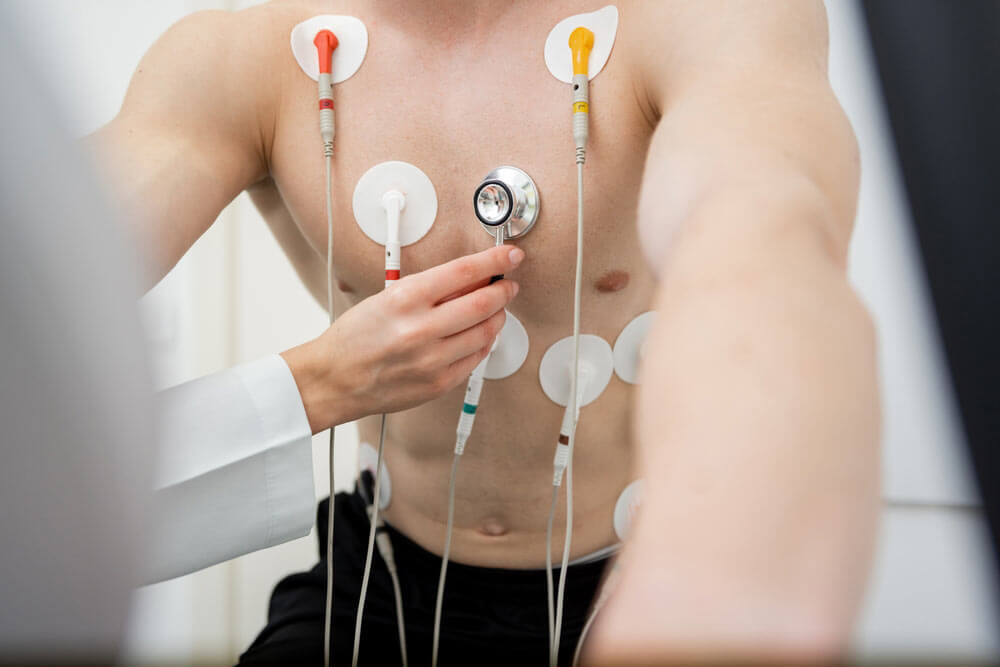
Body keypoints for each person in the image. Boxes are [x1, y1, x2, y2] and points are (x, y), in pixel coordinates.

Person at [89, 0, 879, 663]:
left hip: (639, 575)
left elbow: (766, 232)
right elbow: (47, 270)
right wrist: (317, 379)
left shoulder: (693, 19)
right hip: (382, 575)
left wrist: (716, 556)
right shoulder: (249, 57)